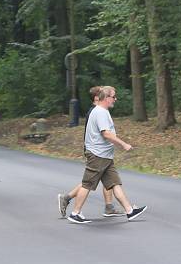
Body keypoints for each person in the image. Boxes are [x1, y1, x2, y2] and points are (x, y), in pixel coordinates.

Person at [59, 85, 147, 224]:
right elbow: (105, 133)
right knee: (87, 184)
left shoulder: (100, 111)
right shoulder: (100, 112)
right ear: (106, 98)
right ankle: (75, 213)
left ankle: (130, 211)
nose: (115, 99)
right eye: (113, 97)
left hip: (104, 156)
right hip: (98, 155)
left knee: (114, 183)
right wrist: (123, 144)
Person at [58, 87, 125, 218]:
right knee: (90, 181)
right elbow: (99, 133)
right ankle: (70, 203)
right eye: (102, 94)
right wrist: (120, 143)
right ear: (97, 97)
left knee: (103, 179)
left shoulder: (100, 110)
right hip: (96, 150)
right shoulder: (96, 112)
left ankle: (109, 206)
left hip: (100, 151)